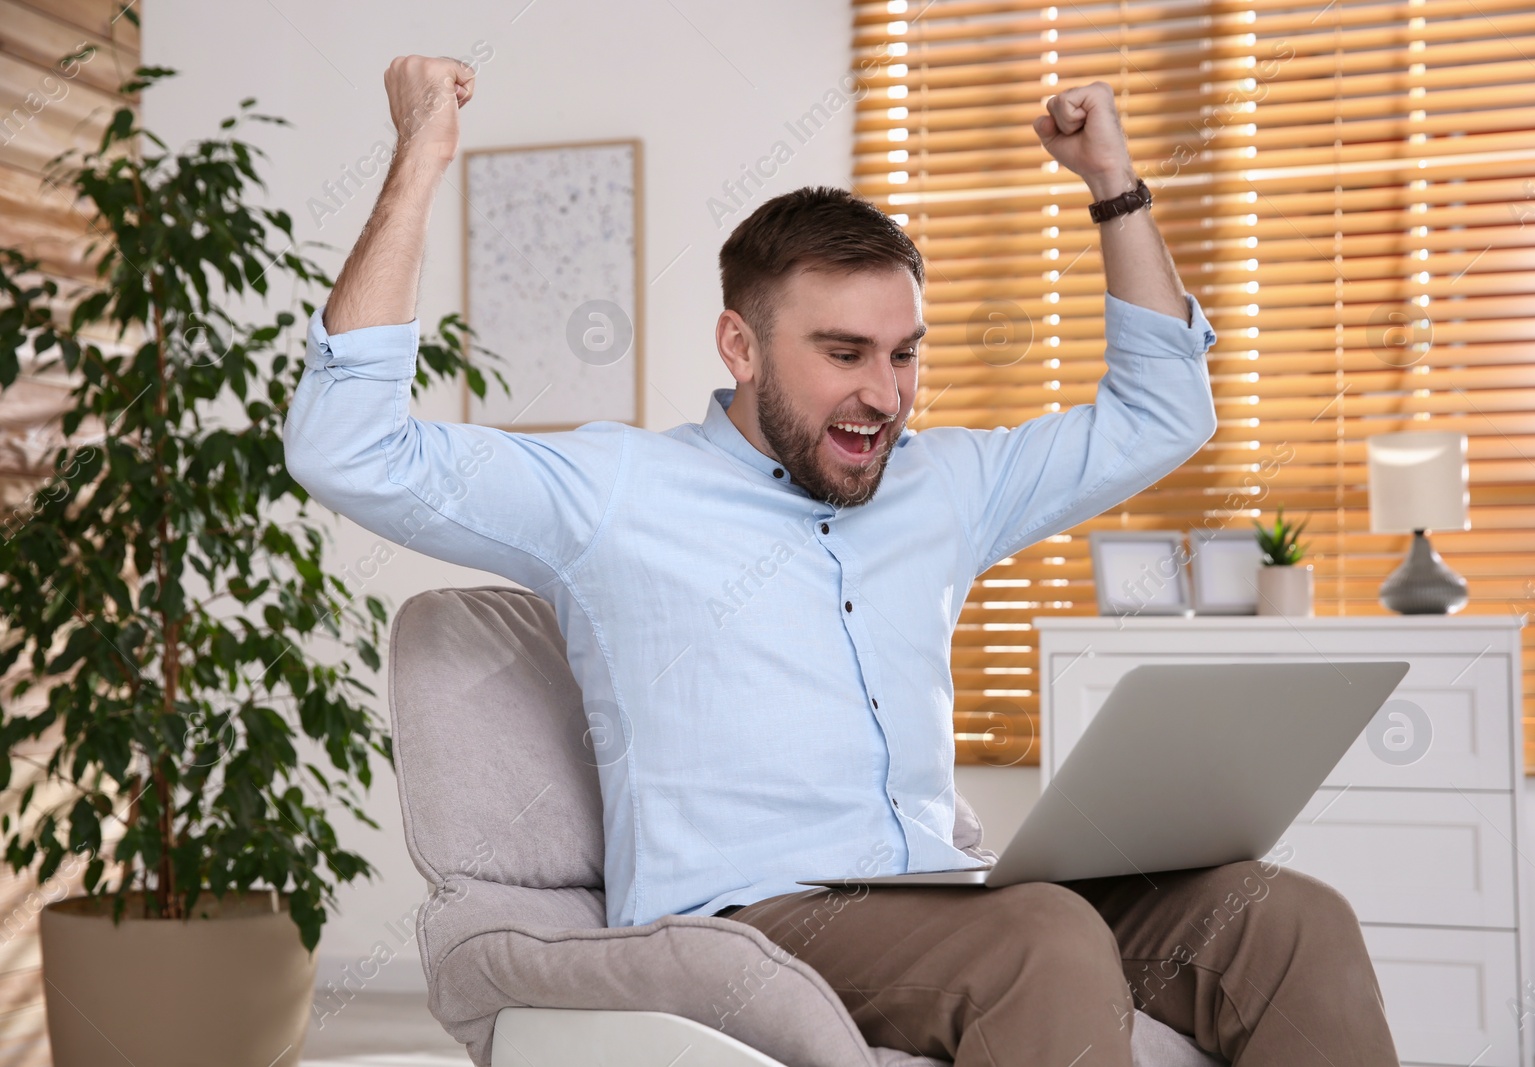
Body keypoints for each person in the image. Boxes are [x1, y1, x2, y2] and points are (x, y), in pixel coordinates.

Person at [285, 54, 1400, 1067]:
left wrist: (1110, 179)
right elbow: (348, 446)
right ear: (738, 345)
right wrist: (420, 156)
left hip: (945, 896)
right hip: (756, 912)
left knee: (1284, 916)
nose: (885, 391)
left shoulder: (945, 482)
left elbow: (1164, 411)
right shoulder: (613, 490)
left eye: (905, 351)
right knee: (1043, 938)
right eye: (843, 352)